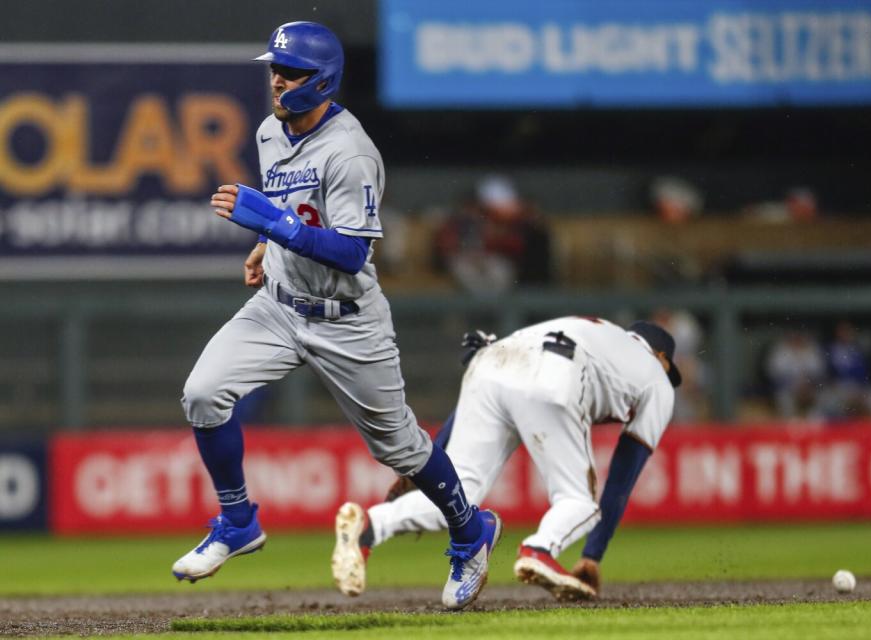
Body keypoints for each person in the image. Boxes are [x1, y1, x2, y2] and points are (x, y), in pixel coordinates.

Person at [172, 21, 499, 610]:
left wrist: (271, 226)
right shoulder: (273, 130)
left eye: (289, 71)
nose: (276, 79)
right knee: (203, 393)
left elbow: (351, 251)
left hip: (346, 317)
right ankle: (238, 520)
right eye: (274, 67)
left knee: (400, 449)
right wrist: (266, 244)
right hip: (278, 304)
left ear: (320, 80)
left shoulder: (350, 151)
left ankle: (472, 533)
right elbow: (293, 211)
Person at [331, 316, 680, 601]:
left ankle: (373, 525)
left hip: (492, 358)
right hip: (555, 373)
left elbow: (503, 373)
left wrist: (430, 459)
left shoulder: (596, 330)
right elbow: (624, 470)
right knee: (581, 503)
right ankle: (539, 550)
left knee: (458, 497)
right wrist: (593, 554)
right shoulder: (657, 378)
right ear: (662, 357)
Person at [433, 175, 552, 294]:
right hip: (465, 261)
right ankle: (484, 306)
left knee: (499, 270)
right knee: (464, 268)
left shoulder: (516, 222)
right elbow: (446, 248)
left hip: (495, 262)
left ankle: (490, 307)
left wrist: (490, 247)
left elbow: (514, 246)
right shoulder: (457, 222)